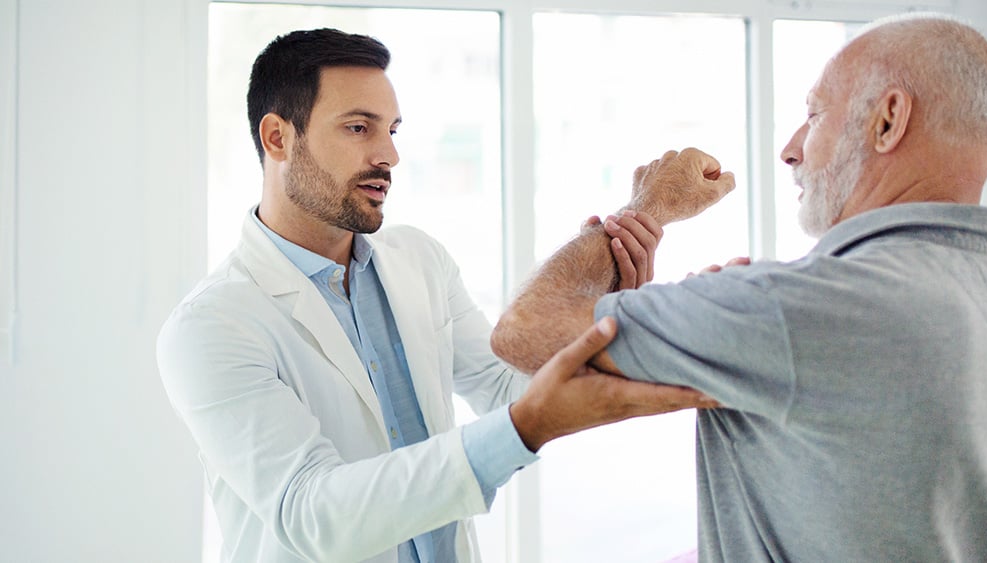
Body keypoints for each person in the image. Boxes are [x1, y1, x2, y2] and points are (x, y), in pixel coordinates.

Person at [156, 28, 710, 563]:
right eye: (358, 128)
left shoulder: (418, 260)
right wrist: (524, 429)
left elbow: (501, 385)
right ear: (278, 137)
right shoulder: (211, 326)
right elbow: (313, 513)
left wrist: (602, 303)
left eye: (392, 130)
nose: (388, 155)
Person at [492, 13, 987, 561]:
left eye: (814, 114)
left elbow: (525, 330)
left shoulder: (801, 305)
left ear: (888, 120)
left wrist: (647, 208)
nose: (790, 148)